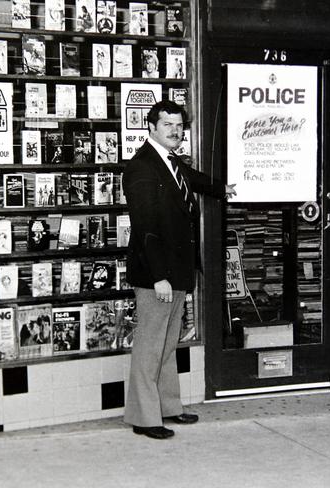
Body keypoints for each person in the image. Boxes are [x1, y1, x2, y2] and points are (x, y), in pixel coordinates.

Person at [123, 100, 236, 440]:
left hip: (177, 270)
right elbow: (145, 228)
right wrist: (158, 276)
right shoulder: (142, 167)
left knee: (168, 341)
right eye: (167, 125)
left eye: (178, 125)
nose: (175, 130)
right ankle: (143, 417)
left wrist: (223, 188)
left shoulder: (171, 163)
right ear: (151, 128)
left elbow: (193, 180)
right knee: (150, 344)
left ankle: (169, 406)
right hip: (156, 274)